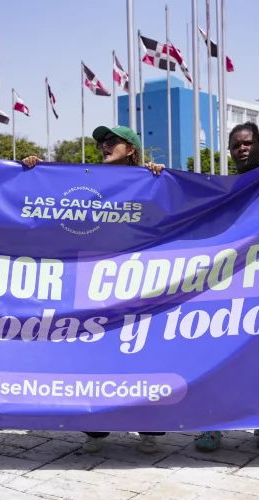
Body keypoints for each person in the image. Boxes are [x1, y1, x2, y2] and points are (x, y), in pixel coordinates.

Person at [23, 125, 166, 454]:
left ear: (130, 149)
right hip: (94, 280)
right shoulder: (87, 180)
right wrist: (36, 170)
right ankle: (97, 423)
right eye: (102, 142)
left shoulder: (150, 180)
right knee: (96, 349)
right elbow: (54, 198)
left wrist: (159, 176)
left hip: (137, 279)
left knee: (137, 351)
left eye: (112, 141)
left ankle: (148, 425)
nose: (104, 145)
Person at [191, 122, 259, 452]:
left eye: (248, 143)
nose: (242, 148)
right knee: (218, 356)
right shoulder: (223, 188)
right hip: (227, 283)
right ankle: (212, 426)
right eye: (236, 145)